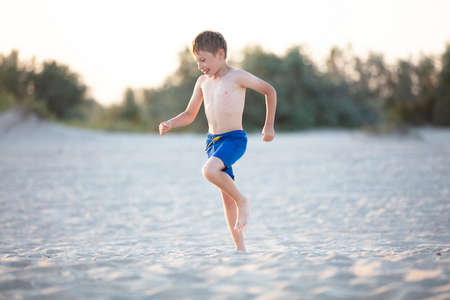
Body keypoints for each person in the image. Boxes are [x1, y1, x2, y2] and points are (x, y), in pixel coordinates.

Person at [159, 31, 277, 251]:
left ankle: (244, 201)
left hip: (233, 139)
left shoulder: (236, 76)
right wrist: (170, 123)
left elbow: (269, 91)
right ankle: (240, 249)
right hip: (212, 142)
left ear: (221, 54)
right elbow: (189, 114)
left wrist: (268, 125)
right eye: (197, 61)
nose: (200, 65)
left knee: (209, 171)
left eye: (203, 60)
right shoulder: (202, 81)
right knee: (226, 198)